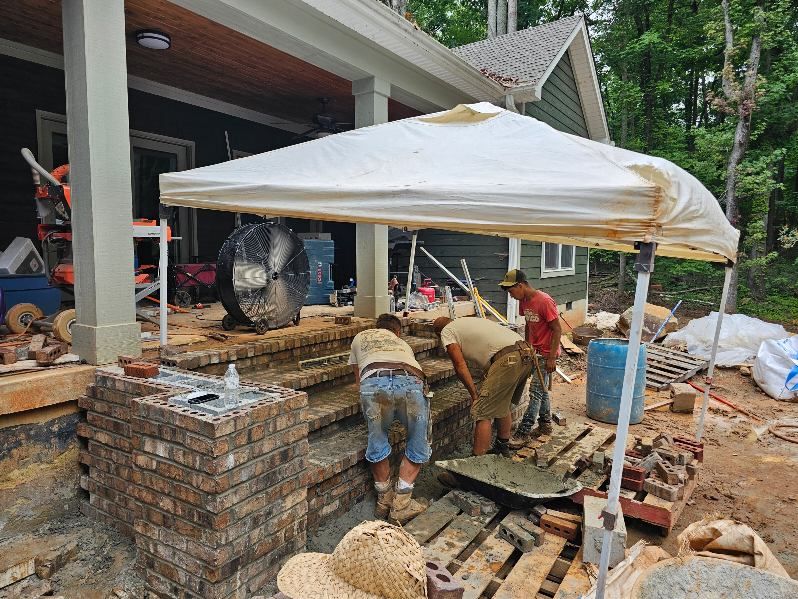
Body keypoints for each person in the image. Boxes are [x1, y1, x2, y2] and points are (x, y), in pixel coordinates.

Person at [348, 313, 430, 523]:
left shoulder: (360, 337)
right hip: (410, 380)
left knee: (377, 439)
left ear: (377, 327)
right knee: (417, 440)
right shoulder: (402, 344)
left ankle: (383, 501)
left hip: (373, 381)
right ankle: (401, 505)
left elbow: (359, 381)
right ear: (397, 332)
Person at [432, 316, 533, 457]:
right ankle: (502, 448)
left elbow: (460, 366)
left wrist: (474, 395)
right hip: (526, 353)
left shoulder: (446, 332)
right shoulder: (466, 322)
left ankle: (478, 461)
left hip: (509, 357)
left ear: (438, 333)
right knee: (502, 402)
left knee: (482, 410)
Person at [498, 269, 562, 447]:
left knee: (534, 392)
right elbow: (529, 324)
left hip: (547, 353)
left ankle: (523, 432)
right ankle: (545, 424)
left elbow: (557, 329)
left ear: (521, 285)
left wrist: (551, 358)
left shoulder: (544, 301)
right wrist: (527, 346)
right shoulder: (523, 301)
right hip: (534, 352)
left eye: (511, 291)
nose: (511, 296)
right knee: (541, 389)